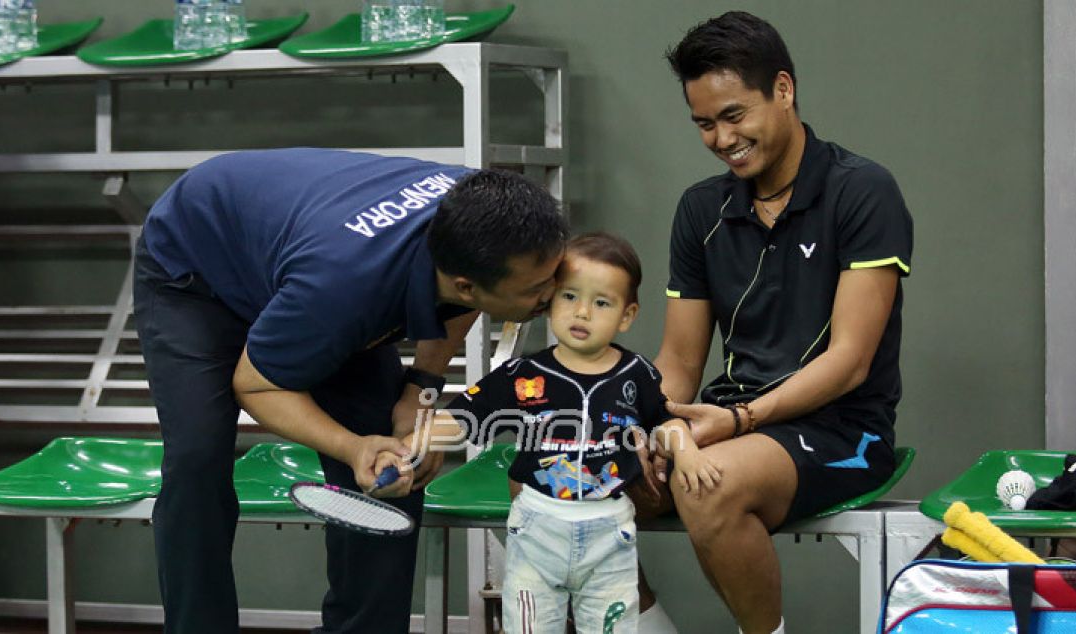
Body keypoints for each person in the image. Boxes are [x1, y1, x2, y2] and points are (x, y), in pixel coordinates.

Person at [133, 148, 569, 633]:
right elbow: (256, 387)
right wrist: (352, 446)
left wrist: (418, 393)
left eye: (552, 275)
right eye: (536, 289)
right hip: (196, 269)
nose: (552, 295)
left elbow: (462, 304)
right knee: (198, 459)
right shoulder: (342, 290)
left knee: (394, 457)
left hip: (305, 261)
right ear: (466, 283)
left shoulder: (482, 213)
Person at [633, 11, 915, 634]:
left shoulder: (863, 190)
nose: (721, 138)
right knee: (569, 477)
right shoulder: (700, 208)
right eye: (704, 124)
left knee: (708, 485)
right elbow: (679, 363)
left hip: (844, 432)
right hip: (728, 422)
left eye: (734, 116)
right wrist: (641, 426)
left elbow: (850, 360)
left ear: (783, 90)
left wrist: (737, 420)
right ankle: (641, 626)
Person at [395, 233, 719, 634]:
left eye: (601, 303)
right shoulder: (522, 375)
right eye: (569, 297)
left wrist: (686, 451)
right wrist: (415, 443)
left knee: (613, 626)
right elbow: (462, 415)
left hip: (610, 530)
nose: (581, 312)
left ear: (627, 315)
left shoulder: (637, 374)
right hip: (536, 528)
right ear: (548, 299)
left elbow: (664, 420)